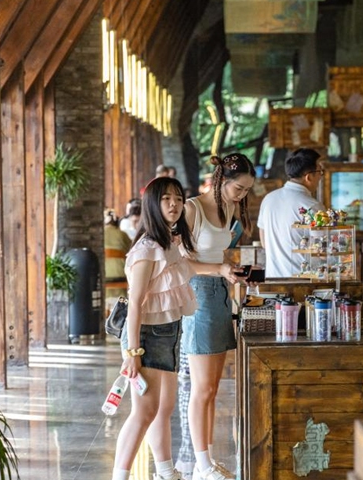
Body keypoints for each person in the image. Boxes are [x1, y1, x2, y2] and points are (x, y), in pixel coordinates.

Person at [112, 177, 198, 480]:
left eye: (178, 198)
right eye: (166, 199)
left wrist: (224, 270)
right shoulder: (147, 248)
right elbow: (135, 303)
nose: (174, 204)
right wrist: (132, 353)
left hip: (170, 332)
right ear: (152, 204)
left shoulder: (168, 243)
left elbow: (187, 270)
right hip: (146, 337)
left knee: (164, 409)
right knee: (144, 413)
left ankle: (165, 472)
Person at [182, 153, 256, 480]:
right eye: (238, 189)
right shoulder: (192, 208)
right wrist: (219, 269)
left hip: (220, 293)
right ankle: (201, 465)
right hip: (198, 294)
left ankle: (207, 461)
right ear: (221, 180)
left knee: (212, 388)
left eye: (246, 191)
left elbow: (215, 255)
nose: (242, 195)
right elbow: (179, 262)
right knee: (201, 388)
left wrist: (230, 272)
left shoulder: (229, 209)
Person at [257, 148, 326, 277]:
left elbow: (264, 243)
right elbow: (322, 251)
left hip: (273, 279)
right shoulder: (312, 206)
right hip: (303, 281)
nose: (321, 177)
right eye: (320, 172)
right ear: (308, 177)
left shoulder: (268, 199)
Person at [104, 208, 132, 307]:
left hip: (104, 274)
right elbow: (131, 252)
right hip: (120, 274)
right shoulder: (122, 234)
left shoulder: (100, 235)